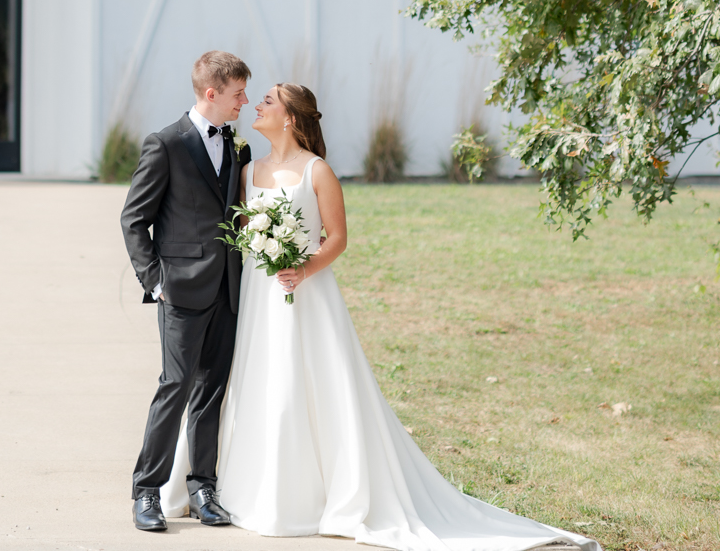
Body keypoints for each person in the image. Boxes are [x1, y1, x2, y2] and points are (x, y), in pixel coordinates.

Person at [161, 82, 600, 551]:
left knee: (302, 388)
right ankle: (236, 485)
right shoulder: (248, 170)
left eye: (268, 100)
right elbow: (243, 231)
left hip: (306, 296)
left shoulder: (318, 171)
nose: (257, 105)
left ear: (289, 117)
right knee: (255, 383)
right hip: (257, 296)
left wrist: (303, 267)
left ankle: (303, 495)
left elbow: (337, 238)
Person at [121, 50, 252, 532]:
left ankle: (202, 488)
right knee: (174, 387)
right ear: (211, 92)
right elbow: (134, 218)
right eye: (238, 93)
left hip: (228, 288)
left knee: (210, 391)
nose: (245, 101)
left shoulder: (238, 146)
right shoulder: (166, 143)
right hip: (179, 289)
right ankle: (147, 491)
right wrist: (155, 282)